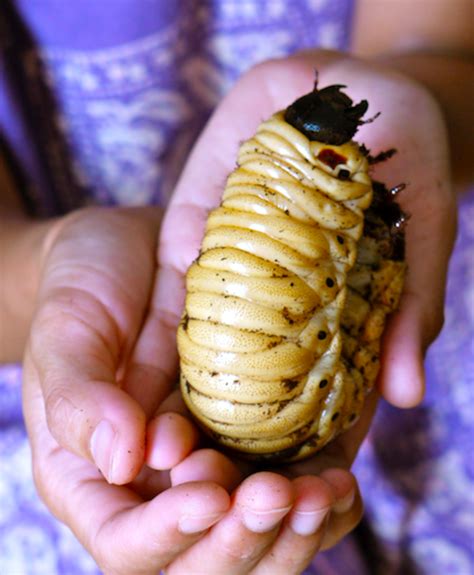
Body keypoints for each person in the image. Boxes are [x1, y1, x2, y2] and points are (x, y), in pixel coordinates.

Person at [0, 0, 471, 573]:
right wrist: (48, 260)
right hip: (251, 393)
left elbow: (450, 53)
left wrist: (422, 97)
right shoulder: (348, 196)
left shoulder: (318, 205)